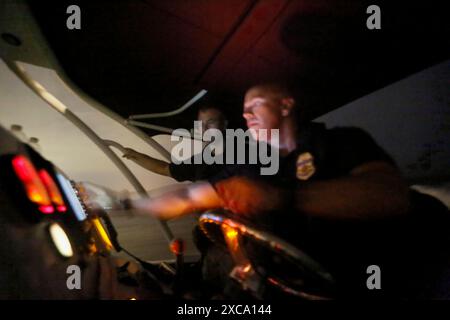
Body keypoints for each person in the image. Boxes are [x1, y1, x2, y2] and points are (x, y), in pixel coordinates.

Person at [123, 83, 449, 298]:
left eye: (256, 105)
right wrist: (126, 203)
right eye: (244, 110)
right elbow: (188, 196)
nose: (246, 113)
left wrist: (281, 198)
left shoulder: (339, 142)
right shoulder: (245, 164)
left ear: (286, 105)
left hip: (417, 264)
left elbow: (389, 196)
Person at [122, 104, 228, 182]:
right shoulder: (201, 161)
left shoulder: (239, 150)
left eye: (211, 122)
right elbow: (163, 168)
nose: (205, 128)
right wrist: (134, 155)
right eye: (200, 124)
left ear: (224, 124)